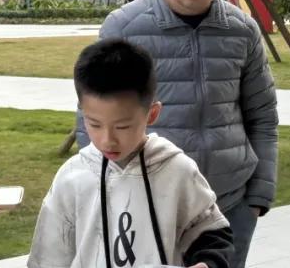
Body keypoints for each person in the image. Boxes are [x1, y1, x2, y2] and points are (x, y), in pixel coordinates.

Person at [78, 0, 278, 268]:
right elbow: (90, 120)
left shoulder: (242, 30)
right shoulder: (124, 27)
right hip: (149, 203)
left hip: (230, 205)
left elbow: (262, 116)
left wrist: (259, 193)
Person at [30, 38, 233, 268]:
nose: (107, 140)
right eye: (94, 124)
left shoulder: (177, 171)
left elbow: (211, 233)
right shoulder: (72, 176)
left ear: (152, 114)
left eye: (122, 127)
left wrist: (207, 264)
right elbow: (48, 256)